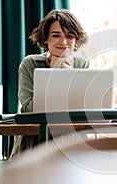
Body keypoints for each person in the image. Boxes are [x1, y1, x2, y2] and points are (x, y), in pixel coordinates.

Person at [11, 9, 89, 158]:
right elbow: (29, 110)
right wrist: (54, 76)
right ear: (46, 39)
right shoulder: (29, 64)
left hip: (69, 142)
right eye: (56, 35)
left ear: (75, 40)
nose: (63, 42)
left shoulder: (81, 64)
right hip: (33, 144)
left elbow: (79, 110)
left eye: (70, 36)